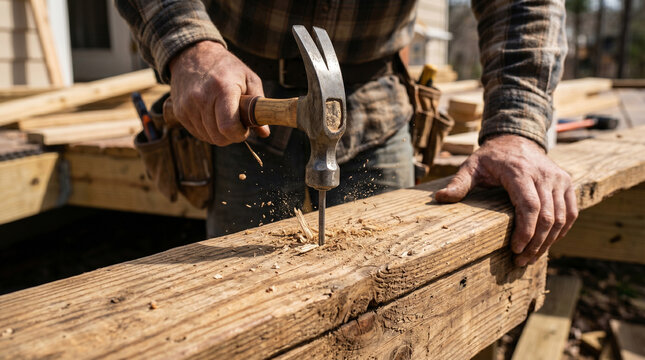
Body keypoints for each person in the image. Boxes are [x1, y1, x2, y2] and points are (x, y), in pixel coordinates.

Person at [116, 0, 578, 267]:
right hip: (234, 95)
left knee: (391, 282)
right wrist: (187, 44)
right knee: (236, 289)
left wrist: (517, 129)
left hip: (377, 104)